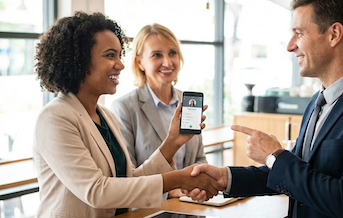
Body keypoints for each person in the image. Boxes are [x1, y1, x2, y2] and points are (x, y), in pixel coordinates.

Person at [186, 0, 343, 217]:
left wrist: (274, 155)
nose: (290, 45)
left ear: (334, 34)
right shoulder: (318, 101)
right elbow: (297, 175)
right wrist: (226, 178)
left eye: (299, 33)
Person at [33, 12, 221, 218]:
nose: (121, 65)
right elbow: (97, 191)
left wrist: (172, 142)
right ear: (79, 61)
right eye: (110, 55)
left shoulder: (104, 115)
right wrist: (177, 179)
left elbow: (129, 180)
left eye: (119, 55)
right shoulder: (55, 118)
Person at [111, 23, 207, 199]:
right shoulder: (124, 108)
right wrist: (169, 191)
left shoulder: (188, 102)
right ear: (139, 62)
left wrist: (195, 187)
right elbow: (127, 176)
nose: (167, 62)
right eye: (157, 55)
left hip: (189, 208)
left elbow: (199, 159)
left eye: (172, 53)